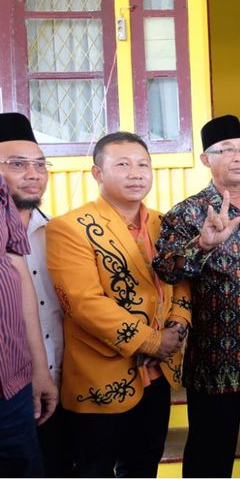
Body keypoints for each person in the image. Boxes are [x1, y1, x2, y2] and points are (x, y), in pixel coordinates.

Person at [46, 131, 190, 477]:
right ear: (97, 174)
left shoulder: (164, 223)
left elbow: (181, 282)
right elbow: (84, 303)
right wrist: (154, 341)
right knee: (95, 468)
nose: (136, 173)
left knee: (144, 465)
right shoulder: (70, 228)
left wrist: (178, 326)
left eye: (143, 164)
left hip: (158, 373)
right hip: (102, 375)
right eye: (123, 164)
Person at [153, 115, 240, 478]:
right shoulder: (187, 212)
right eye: (225, 150)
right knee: (210, 458)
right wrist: (203, 244)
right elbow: (166, 268)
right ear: (205, 160)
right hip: (215, 361)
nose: (238, 156)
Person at [0, 112, 71, 476]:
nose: (33, 174)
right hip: (10, 389)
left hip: (63, 385)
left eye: (40, 165)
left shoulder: (63, 234)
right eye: (17, 164)